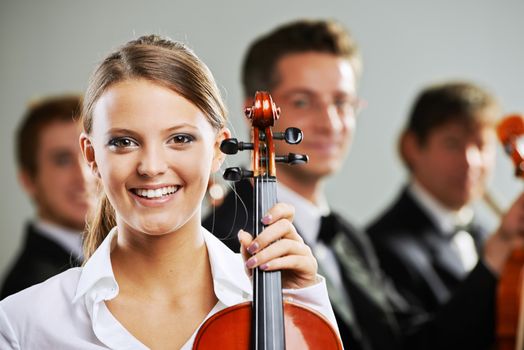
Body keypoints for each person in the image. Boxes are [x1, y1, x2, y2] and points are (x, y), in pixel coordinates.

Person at [0, 35, 338, 349]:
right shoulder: (22, 323)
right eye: (124, 142)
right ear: (92, 156)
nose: (150, 166)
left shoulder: (282, 300)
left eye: (180, 139)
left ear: (219, 149)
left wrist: (306, 303)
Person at [203, 19, 524, 350]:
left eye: (342, 102)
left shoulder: (350, 238)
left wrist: (500, 247)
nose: (330, 123)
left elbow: (414, 345)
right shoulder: (218, 239)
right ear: (256, 112)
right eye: (303, 101)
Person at [365, 82, 516, 315]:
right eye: (452, 144)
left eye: (481, 144)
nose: (471, 162)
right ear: (412, 147)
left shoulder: (489, 236)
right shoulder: (379, 249)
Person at [1, 95, 90, 299]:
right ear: (29, 181)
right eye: (62, 160)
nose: (84, 176)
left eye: (90, 153)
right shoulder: (30, 288)